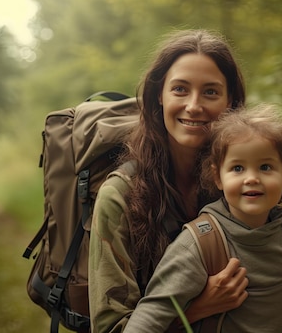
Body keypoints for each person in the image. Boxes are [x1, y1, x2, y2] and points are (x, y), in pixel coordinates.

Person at [88, 29, 249, 332]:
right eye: (180, 89)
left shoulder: (245, 184)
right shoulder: (120, 196)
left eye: (211, 92)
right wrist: (196, 309)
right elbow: (111, 326)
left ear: (232, 102)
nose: (194, 105)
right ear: (158, 97)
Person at [124, 104, 282, 332]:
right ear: (218, 177)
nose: (251, 178)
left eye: (265, 167)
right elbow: (151, 315)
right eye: (238, 168)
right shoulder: (200, 243)